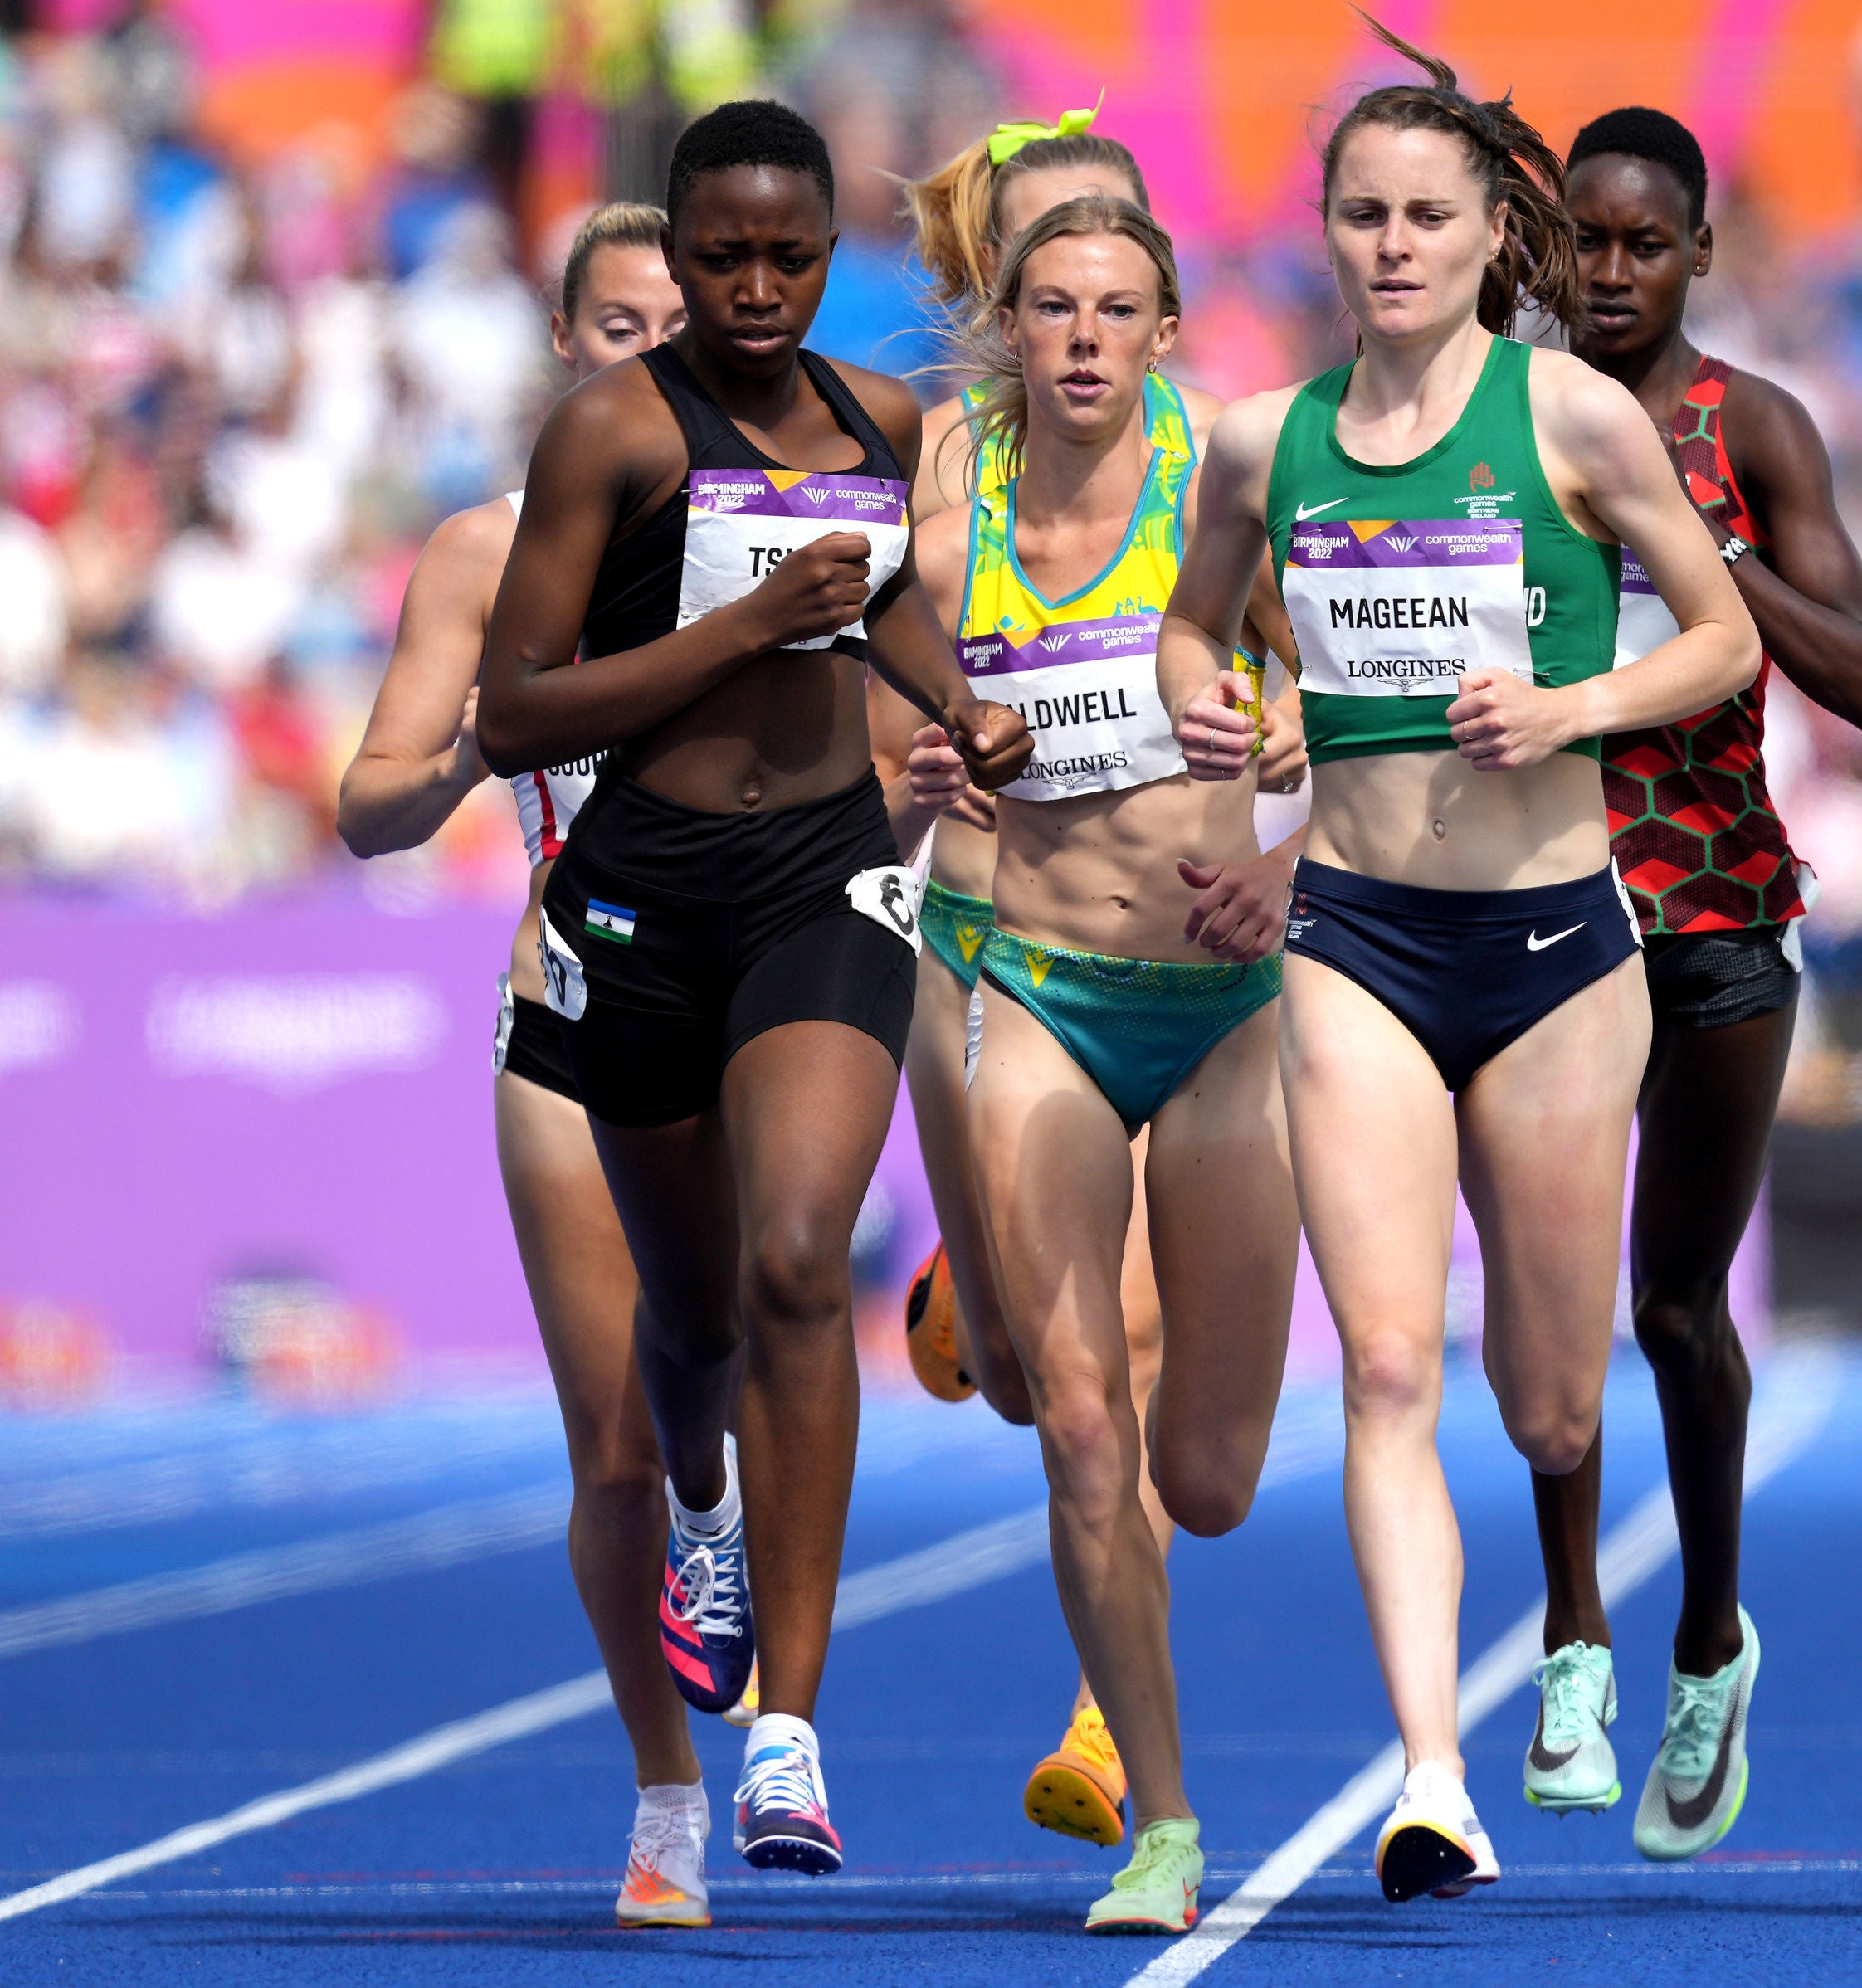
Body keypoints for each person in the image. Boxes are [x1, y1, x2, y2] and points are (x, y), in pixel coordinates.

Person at [1158, 23, 1760, 1906]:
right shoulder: (1264, 441)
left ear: (1494, 233)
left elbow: (1725, 642)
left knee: (1552, 1404)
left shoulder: (1576, 420)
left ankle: (1637, 1634)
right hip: (1353, 937)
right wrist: (1216, 705)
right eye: (1362, 215)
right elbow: (1194, 633)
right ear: (1326, 233)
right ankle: (1431, 1769)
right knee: (1389, 1370)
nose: (1392, 245)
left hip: (1563, 947)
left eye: (1427, 215)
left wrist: (1572, 696)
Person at [475, 100, 1033, 1881]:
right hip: (639, 895)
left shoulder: (888, 422)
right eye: (724, 255)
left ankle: (788, 1730)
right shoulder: (611, 437)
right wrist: (736, 625)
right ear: (684, 244)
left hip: (824, 874)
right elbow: (515, 710)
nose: (759, 286)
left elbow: (883, 614)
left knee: (804, 1258)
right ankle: (698, 1500)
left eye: (792, 255)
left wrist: (962, 702)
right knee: (694, 1319)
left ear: (827, 252)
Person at [884, 105, 1307, 1852]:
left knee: (1200, 1476)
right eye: (1047, 299)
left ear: (1159, 319)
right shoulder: (940, 472)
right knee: (1074, 1396)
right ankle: (1158, 1807)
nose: (1077, 333)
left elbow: (1332, 701)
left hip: (1211, 1000)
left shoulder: (1235, 466)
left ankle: (970, 1304)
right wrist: (909, 760)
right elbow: (874, 698)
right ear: (1007, 307)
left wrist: (1278, 763)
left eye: (1112, 302)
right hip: (1004, 963)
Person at [339, 202, 734, 1932]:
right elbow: (371, 798)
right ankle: (667, 1792)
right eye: (624, 325)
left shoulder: (784, 523)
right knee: (616, 1447)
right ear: (567, 346)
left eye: (684, 321)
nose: (658, 349)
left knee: (755, 1376)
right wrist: (446, 774)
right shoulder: (485, 551)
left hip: (756, 1002)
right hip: (570, 998)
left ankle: (776, 1707)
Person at [1520, 105, 1862, 1858]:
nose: (1608, 272)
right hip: (1528, 899)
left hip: (1718, 900)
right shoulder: (1490, 415)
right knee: (1551, 1313)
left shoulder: (1749, 424)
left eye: (1641, 244)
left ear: (1694, 255)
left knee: (1675, 1305)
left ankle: (1703, 1637)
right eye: (1583, 241)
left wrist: (1695, 536)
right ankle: (1574, 1635)